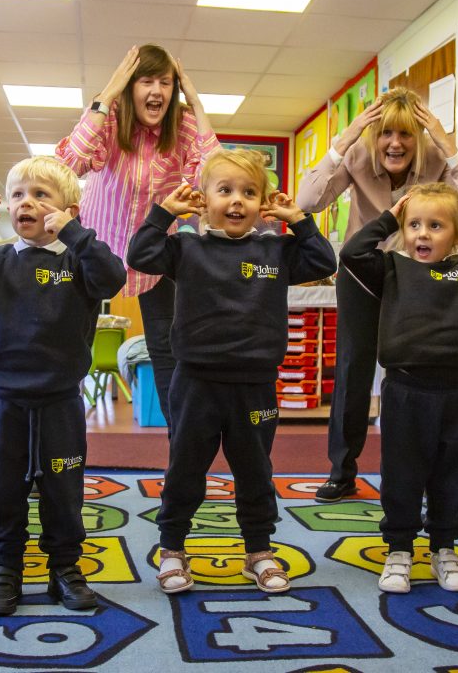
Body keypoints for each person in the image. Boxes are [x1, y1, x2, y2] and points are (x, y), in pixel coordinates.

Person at [127, 149, 336, 594]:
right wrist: (165, 211)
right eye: (224, 191)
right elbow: (140, 254)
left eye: (248, 192)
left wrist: (298, 219)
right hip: (196, 383)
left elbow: (323, 263)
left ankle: (258, 550)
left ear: (263, 203)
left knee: (255, 471)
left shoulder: (275, 249)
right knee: (185, 469)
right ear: (203, 199)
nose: (236, 201)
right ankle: (172, 548)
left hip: (254, 386)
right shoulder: (186, 245)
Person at [0, 156, 128, 615]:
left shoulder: (80, 262)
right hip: (5, 402)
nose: (27, 202)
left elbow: (113, 277)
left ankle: (65, 566)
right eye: (19, 194)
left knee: (64, 489)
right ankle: (7, 568)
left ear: (68, 211)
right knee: (3, 488)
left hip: (60, 402)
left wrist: (75, 235)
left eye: (42, 195)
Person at [296, 87, 458, 502]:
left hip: (418, 278)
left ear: (419, 135)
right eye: (385, 133)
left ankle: (422, 475)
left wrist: (446, 142)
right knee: (353, 370)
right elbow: (308, 201)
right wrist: (345, 139)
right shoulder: (359, 156)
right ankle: (342, 471)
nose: (395, 143)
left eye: (406, 133)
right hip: (364, 273)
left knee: (418, 372)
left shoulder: (435, 159)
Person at [341, 182, 458, 593]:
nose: (422, 234)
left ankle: (444, 546)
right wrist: (390, 217)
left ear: (457, 234)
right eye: (414, 225)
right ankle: (399, 549)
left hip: (455, 394)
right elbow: (352, 253)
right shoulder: (390, 268)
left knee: (449, 474)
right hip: (405, 391)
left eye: (437, 225)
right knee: (402, 473)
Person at [57, 44, 219, 431]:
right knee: (70, 346)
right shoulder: (110, 119)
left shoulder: (181, 126)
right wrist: (106, 95)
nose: (157, 91)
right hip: (94, 249)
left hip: (154, 253)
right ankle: (57, 442)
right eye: (146, 80)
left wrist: (195, 103)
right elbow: (65, 167)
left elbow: (215, 178)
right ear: (131, 87)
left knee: (168, 351)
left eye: (165, 83)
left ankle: (181, 449)